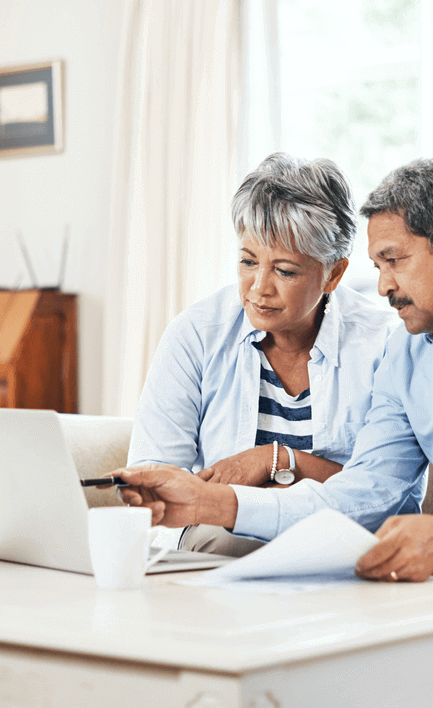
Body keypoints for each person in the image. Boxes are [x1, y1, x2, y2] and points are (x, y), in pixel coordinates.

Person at [113, 157, 433, 582]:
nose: (383, 287)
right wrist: (208, 503)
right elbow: (365, 493)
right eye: (378, 267)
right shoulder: (410, 353)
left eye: (394, 261)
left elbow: (388, 513)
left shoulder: (385, 344)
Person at [126, 152, 398, 556]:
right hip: (220, 545)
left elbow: (387, 496)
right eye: (248, 262)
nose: (258, 288)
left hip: (340, 545)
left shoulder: (383, 345)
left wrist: (277, 460)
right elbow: (154, 481)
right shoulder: (196, 334)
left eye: (284, 270)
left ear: (334, 274)